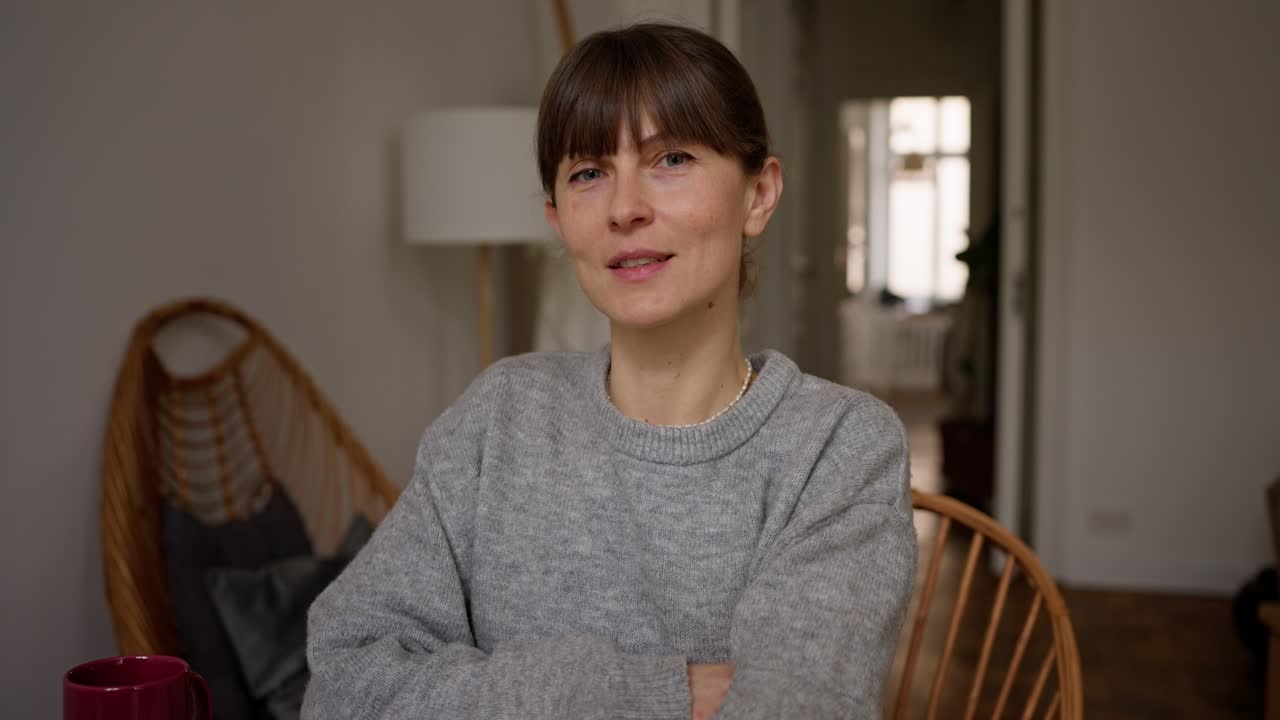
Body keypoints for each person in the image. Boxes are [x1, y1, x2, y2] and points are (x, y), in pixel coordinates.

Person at [304, 22, 916, 720]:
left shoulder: (840, 448)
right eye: (589, 173)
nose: (626, 208)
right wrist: (654, 693)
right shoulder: (499, 415)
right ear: (558, 220)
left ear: (759, 195)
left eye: (672, 159)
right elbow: (345, 682)